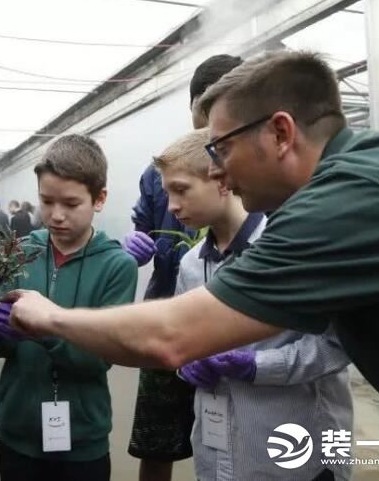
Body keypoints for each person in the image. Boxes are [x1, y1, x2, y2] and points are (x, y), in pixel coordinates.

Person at [6, 50, 379, 437]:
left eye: (221, 149)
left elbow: (171, 337)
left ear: (281, 134)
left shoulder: (334, 207)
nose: (218, 173)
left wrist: (51, 317)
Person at [157, 128, 352, 481]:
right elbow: (181, 340)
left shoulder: (290, 249)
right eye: (167, 193)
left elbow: (336, 347)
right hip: (219, 451)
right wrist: (187, 364)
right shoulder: (190, 265)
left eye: (181, 190)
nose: (171, 206)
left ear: (221, 180)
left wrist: (257, 366)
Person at [0, 134, 138, 481]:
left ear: (99, 199)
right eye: (46, 201)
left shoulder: (116, 266)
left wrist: (43, 327)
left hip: (82, 439)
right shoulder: (18, 252)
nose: (56, 215)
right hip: (18, 431)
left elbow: (98, 359)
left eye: (71, 204)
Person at [124, 54, 243, 481]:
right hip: (167, 313)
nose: (213, 130)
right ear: (191, 107)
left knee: (236, 430)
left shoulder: (253, 170)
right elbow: (143, 224)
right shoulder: (157, 172)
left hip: (232, 322)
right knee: (156, 439)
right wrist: (133, 247)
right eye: (205, 116)